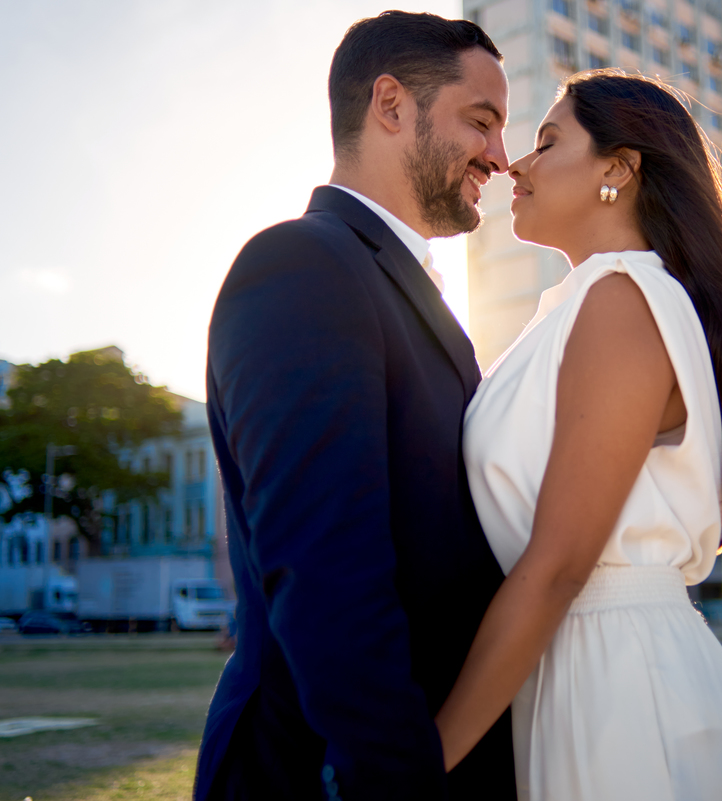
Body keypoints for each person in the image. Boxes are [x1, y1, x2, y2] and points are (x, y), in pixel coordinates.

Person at [435, 70, 722, 799]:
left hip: (619, 681)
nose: (515, 163)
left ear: (617, 168)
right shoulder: (581, 302)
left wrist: (418, 764)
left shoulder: (621, 299)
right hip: (580, 664)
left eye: (547, 142)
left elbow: (557, 565)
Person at [193, 12, 516, 801]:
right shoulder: (302, 264)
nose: (502, 159)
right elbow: (329, 577)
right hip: (323, 775)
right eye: (483, 121)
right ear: (392, 105)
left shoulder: (403, 289)